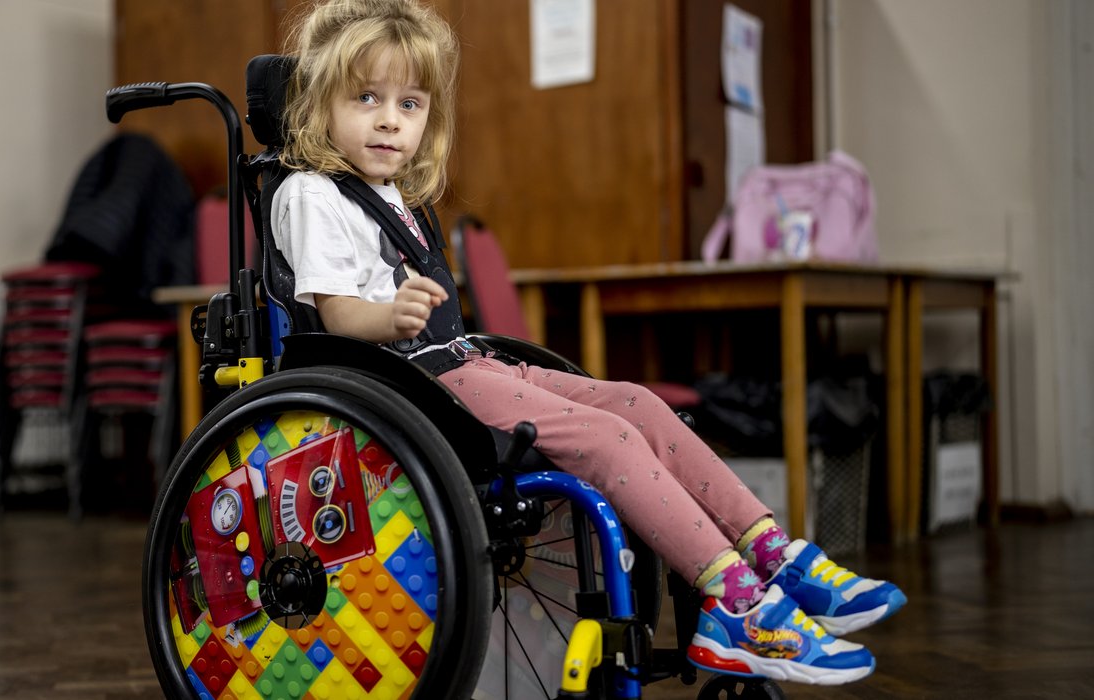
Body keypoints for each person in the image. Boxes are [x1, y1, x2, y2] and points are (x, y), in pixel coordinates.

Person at [271, 0, 906, 686]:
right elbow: (335, 316)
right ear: (319, 104)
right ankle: (732, 600)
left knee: (635, 402)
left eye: (410, 102)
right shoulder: (312, 193)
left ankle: (774, 553)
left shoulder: (389, 194)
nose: (391, 119)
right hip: (405, 384)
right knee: (605, 438)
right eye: (366, 98)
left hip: (451, 366)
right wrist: (389, 314)